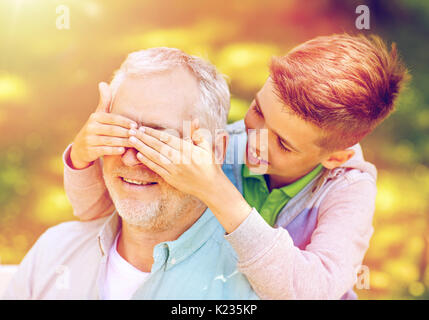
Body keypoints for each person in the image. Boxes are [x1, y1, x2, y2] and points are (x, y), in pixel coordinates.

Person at [61, 34, 409, 299]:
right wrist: (82, 154)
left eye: (284, 144)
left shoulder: (347, 189)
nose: (254, 136)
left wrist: (215, 190)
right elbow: (94, 209)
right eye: (258, 110)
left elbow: (311, 289)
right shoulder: (228, 144)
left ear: (334, 157)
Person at [3, 48, 259, 299]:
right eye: (118, 132)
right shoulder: (54, 251)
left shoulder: (250, 287)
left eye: (156, 138)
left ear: (215, 150)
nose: (129, 157)